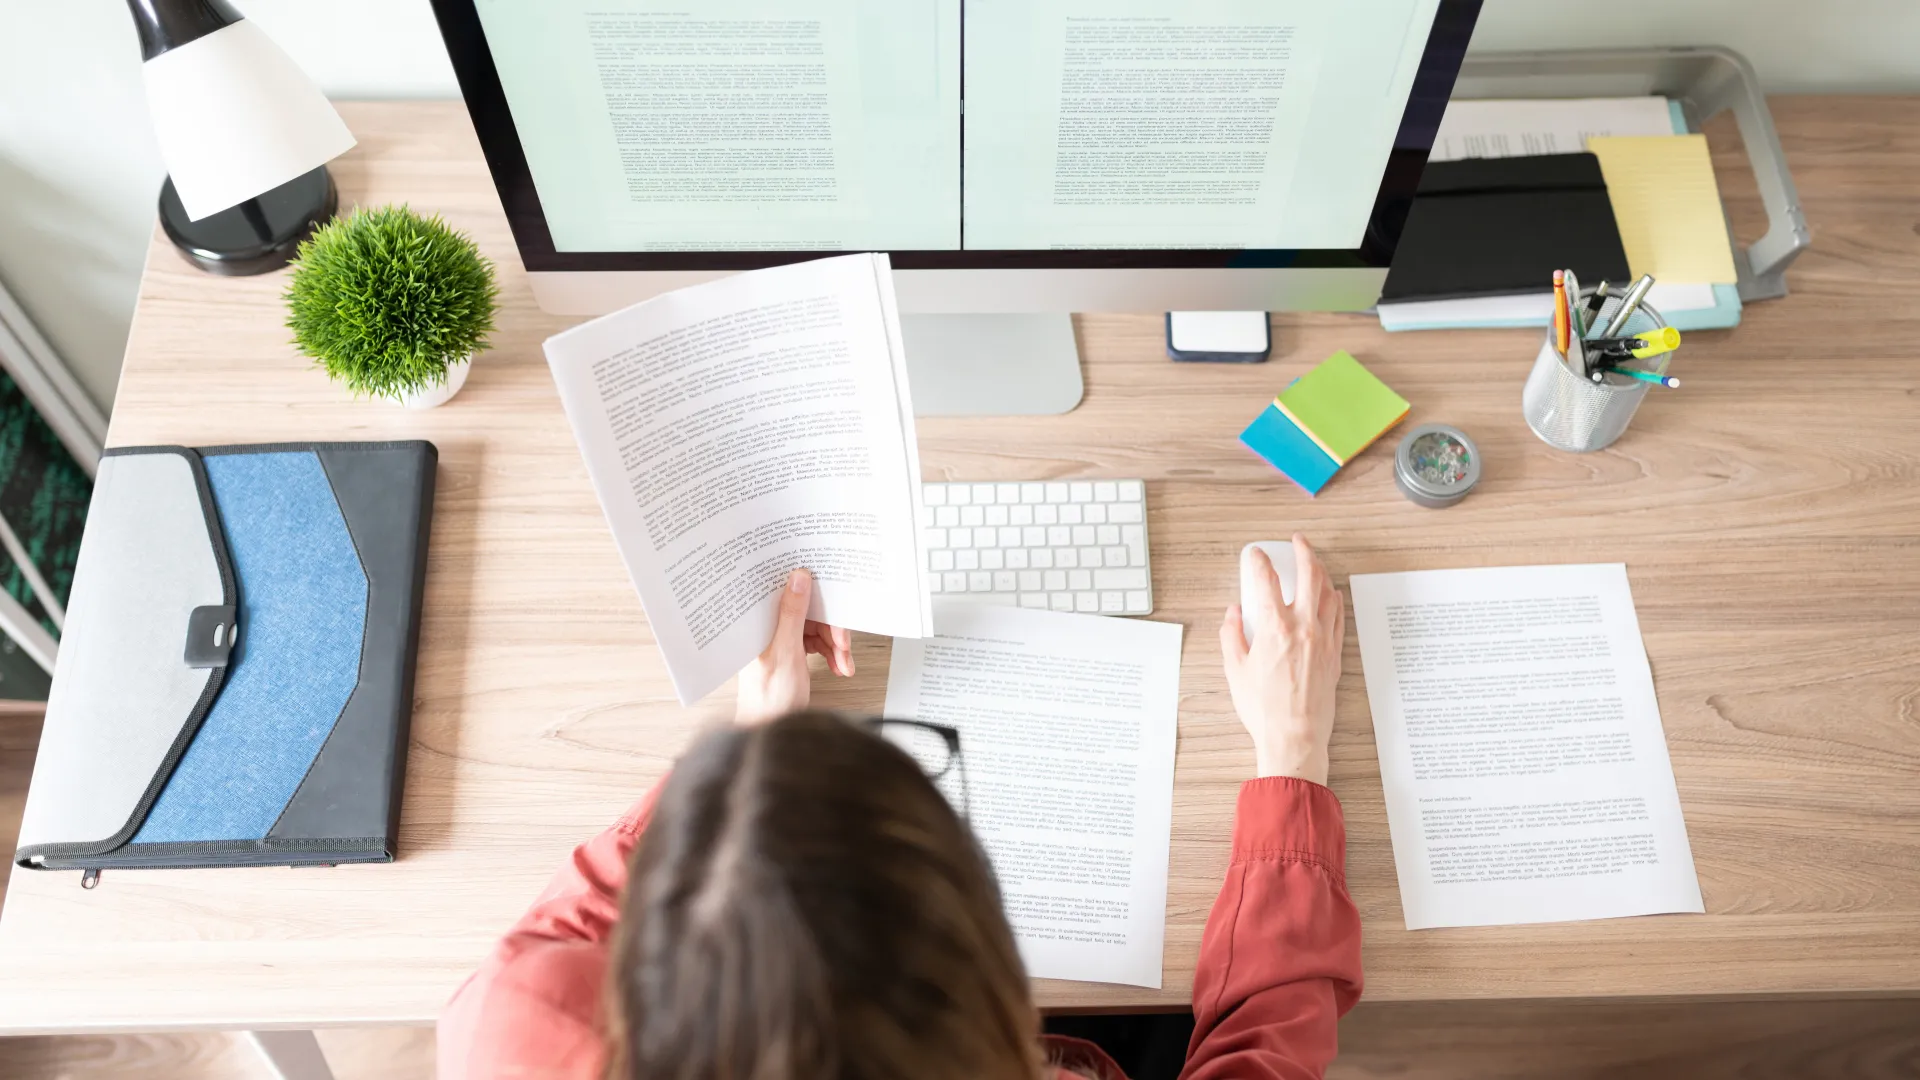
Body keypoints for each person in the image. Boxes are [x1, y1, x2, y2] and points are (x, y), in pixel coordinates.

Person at [439, 535, 1359, 1080]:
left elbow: (567, 930)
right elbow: (1265, 1050)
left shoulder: (526, 1028)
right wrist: (1292, 756)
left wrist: (758, 753)